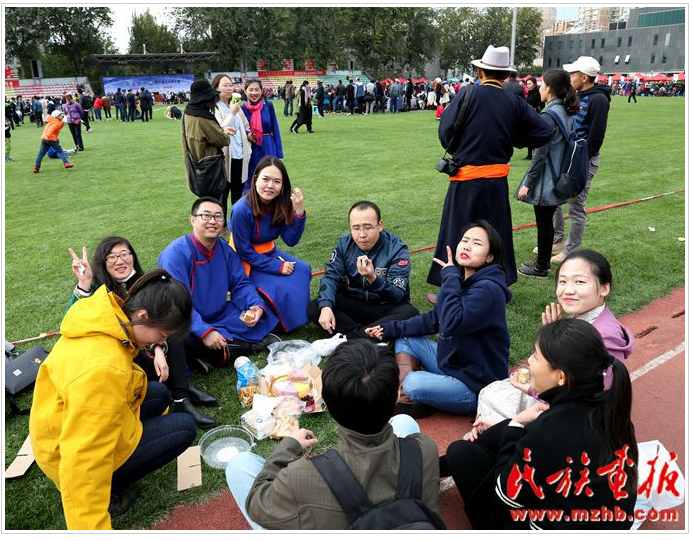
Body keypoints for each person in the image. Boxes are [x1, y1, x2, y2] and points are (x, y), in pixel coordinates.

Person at [29, 269, 198, 530]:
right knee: (184, 427)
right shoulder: (105, 370)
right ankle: (110, 492)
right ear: (143, 316)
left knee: (159, 394)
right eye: (163, 336)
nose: (162, 342)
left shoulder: (103, 314)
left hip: (57, 428)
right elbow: (82, 462)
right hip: (63, 454)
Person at [444, 318, 638, 530]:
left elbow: (505, 494)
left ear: (561, 377)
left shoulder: (550, 429)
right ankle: (435, 466)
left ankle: (430, 467)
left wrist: (515, 425)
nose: (529, 360)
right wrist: (513, 427)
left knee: (460, 453)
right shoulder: (610, 413)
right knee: (509, 428)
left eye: (536, 356)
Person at [225, 340, 440, 529]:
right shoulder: (424, 449)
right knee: (404, 422)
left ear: (326, 402)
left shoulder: (301, 476)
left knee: (238, 464)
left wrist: (289, 447)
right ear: (396, 397)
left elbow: (257, 505)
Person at [427, 45, 553, 295]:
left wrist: (461, 148)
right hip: (496, 183)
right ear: (505, 76)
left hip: (465, 180)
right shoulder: (513, 101)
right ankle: (495, 287)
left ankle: (451, 288)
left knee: (457, 233)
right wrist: (514, 138)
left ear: (480, 72)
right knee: (495, 235)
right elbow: (544, 130)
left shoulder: (468, 93)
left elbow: (445, 131)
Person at [67, 237, 218, 428]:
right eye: (112, 257)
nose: (120, 261)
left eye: (124, 254)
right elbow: (72, 320)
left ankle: (182, 395)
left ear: (133, 256)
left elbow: (157, 322)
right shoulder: (97, 289)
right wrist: (84, 283)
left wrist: (158, 349)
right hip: (124, 349)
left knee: (171, 330)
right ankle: (181, 390)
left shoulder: (143, 282)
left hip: (146, 341)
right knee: (152, 346)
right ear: (102, 263)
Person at [367, 220, 511, 418]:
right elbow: (433, 319)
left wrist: (450, 277)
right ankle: (408, 399)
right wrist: (389, 329)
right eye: (465, 240)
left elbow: (452, 322)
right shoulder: (465, 281)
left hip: (476, 386)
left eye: (477, 243)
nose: (467, 246)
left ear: (489, 257)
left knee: (413, 382)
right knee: (406, 338)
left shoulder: (488, 289)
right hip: (455, 365)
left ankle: (417, 394)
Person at [158, 197, 280, 367]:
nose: (213, 221)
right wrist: (204, 331)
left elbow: (240, 284)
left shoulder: (225, 250)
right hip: (186, 318)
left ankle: (220, 351)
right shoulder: (175, 254)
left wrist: (254, 306)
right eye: (206, 215)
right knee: (181, 335)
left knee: (263, 317)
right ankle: (237, 348)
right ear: (192, 220)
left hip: (220, 314)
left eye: (218, 216)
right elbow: (176, 302)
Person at [307, 201, 419, 341]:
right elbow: (331, 277)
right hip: (354, 303)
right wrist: (326, 307)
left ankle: (349, 338)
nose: (362, 235)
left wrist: (373, 279)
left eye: (368, 227)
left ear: (380, 225)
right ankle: (370, 336)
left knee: (410, 313)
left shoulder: (397, 249)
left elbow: (397, 295)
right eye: (355, 228)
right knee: (316, 306)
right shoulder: (344, 244)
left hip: (384, 307)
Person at [230, 156, 311, 333]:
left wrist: (299, 213)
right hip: (244, 260)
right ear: (255, 179)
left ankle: (297, 316)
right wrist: (277, 267)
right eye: (265, 179)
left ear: (282, 185)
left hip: (269, 252)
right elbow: (244, 251)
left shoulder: (281, 203)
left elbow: (291, 240)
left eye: (276, 181)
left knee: (303, 269)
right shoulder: (240, 210)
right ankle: (279, 324)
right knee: (278, 286)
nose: (270, 185)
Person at [516, 69, 579, 278]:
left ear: (549, 89)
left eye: (543, 84)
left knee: (543, 222)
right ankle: (542, 261)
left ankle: (541, 266)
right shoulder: (568, 111)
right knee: (547, 220)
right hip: (560, 175)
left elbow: (540, 154)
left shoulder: (549, 115)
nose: (540, 88)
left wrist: (527, 183)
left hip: (548, 178)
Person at [552, 56, 611, 263]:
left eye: (573, 74)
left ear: (584, 78)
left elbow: (596, 136)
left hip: (583, 161)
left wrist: (582, 160)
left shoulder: (598, 99)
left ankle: (570, 250)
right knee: (554, 199)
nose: (570, 78)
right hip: (568, 157)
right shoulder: (577, 95)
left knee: (576, 207)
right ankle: (557, 241)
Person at [182, 79, 234, 200]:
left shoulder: (188, 115)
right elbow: (224, 140)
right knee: (214, 204)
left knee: (205, 204)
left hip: (196, 168)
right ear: (205, 99)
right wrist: (223, 133)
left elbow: (204, 135)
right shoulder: (202, 118)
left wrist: (221, 130)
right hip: (210, 172)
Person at [212, 74, 252, 220]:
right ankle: (221, 225)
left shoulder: (236, 106)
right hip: (225, 157)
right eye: (225, 85)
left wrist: (249, 136)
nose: (229, 88)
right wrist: (232, 113)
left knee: (238, 193)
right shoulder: (214, 108)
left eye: (230, 85)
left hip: (239, 155)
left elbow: (246, 126)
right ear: (216, 88)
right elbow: (218, 130)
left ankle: (237, 222)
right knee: (223, 194)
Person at [241, 79, 283, 190]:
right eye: (251, 90)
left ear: (261, 90)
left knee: (270, 175)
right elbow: (240, 128)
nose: (254, 93)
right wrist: (247, 134)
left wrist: (279, 152)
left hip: (268, 146)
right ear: (245, 91)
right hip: (251, 147)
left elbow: (275, 128)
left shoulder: (268, 105)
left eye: (257, 90)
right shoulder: (242, 108)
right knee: (252, 178)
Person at [524, 77, 543, 159]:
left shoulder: (538, 91)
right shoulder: (530, 92)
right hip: (529, 115)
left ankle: (535, 153)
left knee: (535, 134)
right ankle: (529, 154)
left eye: (530, 84)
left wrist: (536, 109)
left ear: (534, 84)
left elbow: (542, 103)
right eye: (527, 84)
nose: (528, 85)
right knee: (529, 134)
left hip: (536, 115)